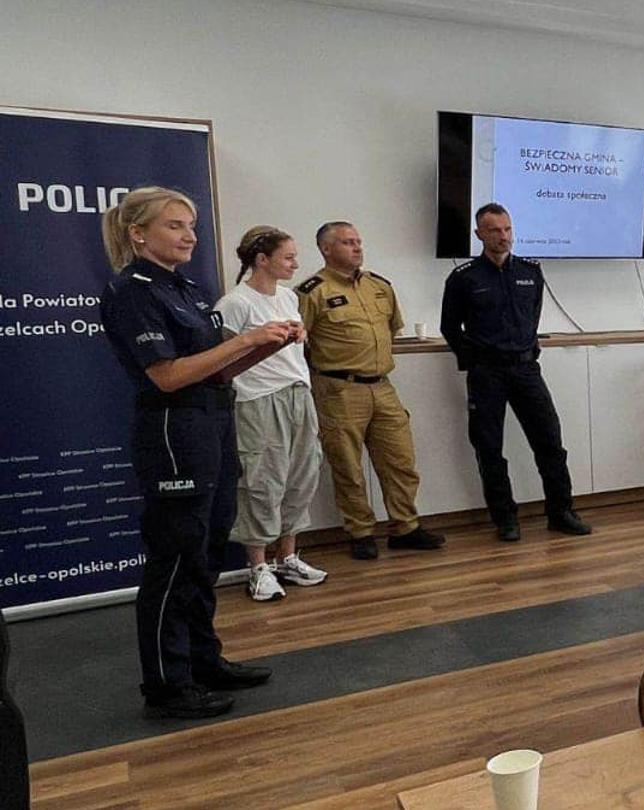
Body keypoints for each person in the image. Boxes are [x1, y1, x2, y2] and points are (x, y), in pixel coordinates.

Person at [99, 188, 284, 718]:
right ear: (139, 233)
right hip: (174, 433)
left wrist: (266, 345)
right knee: (175, 556)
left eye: (193, 226)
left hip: (213, 422)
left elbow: (217, 370)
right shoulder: (131, 291)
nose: (190, 236)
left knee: (204, 553)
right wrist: (245, 338)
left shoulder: (187, 287)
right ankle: (165, 685)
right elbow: (167, 375)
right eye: (176, 226)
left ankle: (204, 660)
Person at [440, 204, 592, 542]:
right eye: (494, 230)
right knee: (490, 448)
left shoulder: (530, 271)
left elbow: (532, 318)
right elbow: (449, 327)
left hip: (525, 369)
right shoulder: (464, 277)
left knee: (550, 442)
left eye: (507, 229)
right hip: (487, 374)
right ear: (479, 234)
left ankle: (561, 512)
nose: (503, 236)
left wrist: (527, 350)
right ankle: (505, 519)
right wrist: (474, 360)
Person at [296, 221, 445, 560]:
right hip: (338, 389)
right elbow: (297, 345)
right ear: (326, 249)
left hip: (382, 385)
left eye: (358, 241)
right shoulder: (311, 291)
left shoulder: (380, 286)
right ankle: (360, 531)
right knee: (347, 465)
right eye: (347, 242)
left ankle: (405, 527)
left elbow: (390, 331)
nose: (357, 247)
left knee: (401, 460)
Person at [213, 227, 328, 602]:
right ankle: (258, 566)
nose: (296, 263)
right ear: (262, 260)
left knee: (301, 476)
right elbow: (222, 358)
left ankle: (288, 557)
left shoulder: (289, 297)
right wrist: (260, 337)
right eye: (288, 257)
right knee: (263, 481)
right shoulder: (235, 303)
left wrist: (297, 333)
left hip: (298, 394)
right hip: (259, 400)